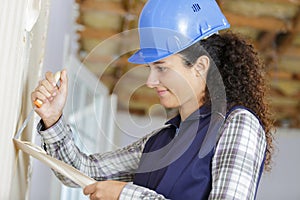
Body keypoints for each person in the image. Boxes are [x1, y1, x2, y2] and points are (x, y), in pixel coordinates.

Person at [31, 0, 274, 199]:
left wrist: (126, 195)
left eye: (161, 68)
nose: (150, 81)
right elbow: (85, 171)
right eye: (150, 68)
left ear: (199, 66)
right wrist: (53, 119)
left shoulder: (238, 125)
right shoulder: (162, 139)